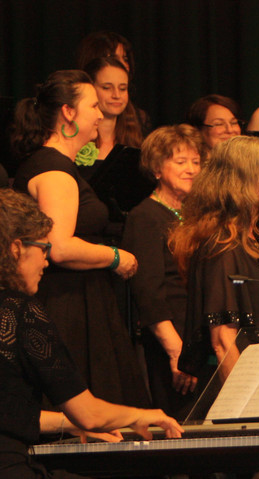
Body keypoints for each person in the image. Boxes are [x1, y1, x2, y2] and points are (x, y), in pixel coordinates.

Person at [0, 188, 182, 479]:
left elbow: (9, 413)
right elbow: (90, 414)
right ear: (16, 248)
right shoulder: (21, 313)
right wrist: (140, 415)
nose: (47, 261)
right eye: (43, 248)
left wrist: (66, 423)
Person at [10, 69, 148, 407]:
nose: (100, 115)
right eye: (93, 106)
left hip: (77, 299)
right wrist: (116, 257)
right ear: (68, 112)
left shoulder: (55, 165)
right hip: (67, 304)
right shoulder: (54, 170)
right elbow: (59, 246)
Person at [167, 135, 259, 384]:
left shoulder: (247, 244)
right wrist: (243, 401)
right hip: (246, 389)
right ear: (245, 181)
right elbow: (223, 342)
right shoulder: (222, 248)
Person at [121, 125, 202, 419]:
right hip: (172, 339)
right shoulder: (145, 216)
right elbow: (148, 293)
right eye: (181, 162)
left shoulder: (194, 214)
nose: (191, 169)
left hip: (197, 335)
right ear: (157, 169)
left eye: (196, 162)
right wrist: (177, 352)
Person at [79, 56, 145, 171]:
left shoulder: (135, 140)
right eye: (107, 88)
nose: (116, 95)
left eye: (123, 88)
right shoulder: (77, 140)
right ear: (90, 88)